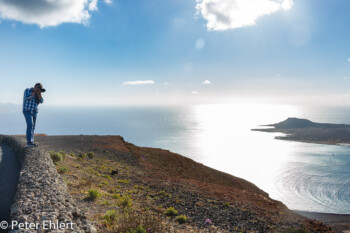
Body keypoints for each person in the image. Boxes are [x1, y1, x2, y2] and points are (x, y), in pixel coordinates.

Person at [23, 83, 46, 147]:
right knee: (30, 125)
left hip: (34, 111)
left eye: (39, 88)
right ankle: (29, 142)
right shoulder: (27, 90)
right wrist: (33, 94)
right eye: (37, 87)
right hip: (27, 110)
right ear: (35, 86)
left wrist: (39, 94)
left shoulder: (38, 93)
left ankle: (31, 142)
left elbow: (41, 101)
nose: (38, 89)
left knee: (33, 127)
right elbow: (26, 98)